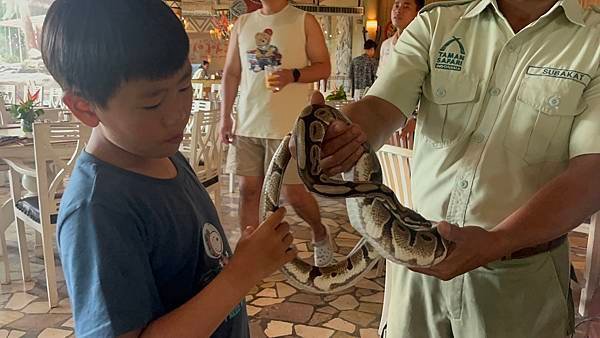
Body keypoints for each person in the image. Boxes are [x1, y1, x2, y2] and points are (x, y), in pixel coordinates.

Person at [311, 0, 600, 337]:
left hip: (519, 280)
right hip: (416, 268)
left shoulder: (592, 39)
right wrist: (343, 132)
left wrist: (499, 240)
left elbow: (592, 171)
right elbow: (381, 106)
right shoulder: (438, 22)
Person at [43, 0, 295, 337]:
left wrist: (241, 266)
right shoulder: (97, 210)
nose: (178, 113)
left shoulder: (167, 157)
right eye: (152, 103)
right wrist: (239, 276)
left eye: (183, 87)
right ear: (85, 107)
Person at [220, 0, 334, 266]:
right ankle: (251, 257)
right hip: (248, 123)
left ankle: (319, 231)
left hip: (288, 127)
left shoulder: (303, 20)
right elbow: (231, 74)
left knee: (293, 194)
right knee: (248, 191)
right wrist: (225, 117)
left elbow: (324, 66)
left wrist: (292, 75)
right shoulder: (243, 23)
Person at [378, 0, 424, 148]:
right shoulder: (386, 45)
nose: (399, 10)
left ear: (417, 13)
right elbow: (380, 82)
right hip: (386, 119)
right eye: (396, 5)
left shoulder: (422, 46)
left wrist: (415, 118)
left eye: (406, 6)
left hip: (413, 123)